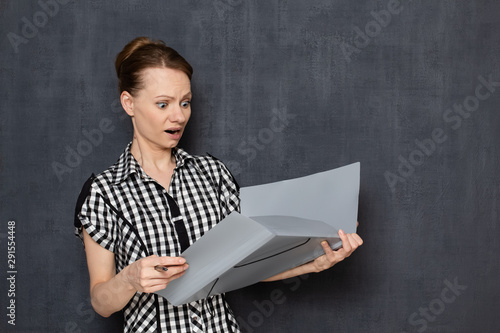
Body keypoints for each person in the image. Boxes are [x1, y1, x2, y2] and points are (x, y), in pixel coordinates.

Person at [74, 36, 363, 333]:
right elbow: (101, 301)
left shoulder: (213, 173)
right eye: (163, 104)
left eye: (185, 103)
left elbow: (246, 267)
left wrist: (314, 263)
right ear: (129, 103)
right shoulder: (103, 193)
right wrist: (130, 279)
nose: (179, 116)